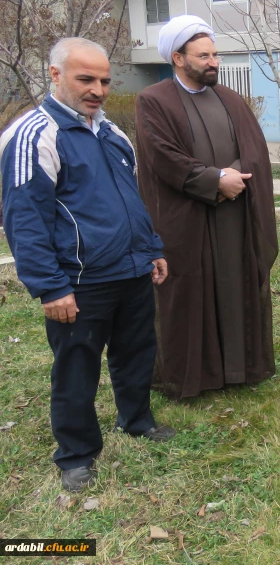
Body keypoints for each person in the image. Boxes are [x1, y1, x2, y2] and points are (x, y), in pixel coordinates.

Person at [0, 38, 174, 491]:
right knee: (77, 367)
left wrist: (151, 248)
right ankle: (76, 455)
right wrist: (50, 287)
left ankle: (136, 420)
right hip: (79, 282)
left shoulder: (112, 134)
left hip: (131, 270)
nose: (98, 89)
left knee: (136, 353)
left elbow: (130, 201)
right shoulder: (34, 135)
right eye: (86, 79)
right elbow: (25, 219)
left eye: (104, 80)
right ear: (56, 76)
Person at [134, 15, 278, 400]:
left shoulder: (231, 99)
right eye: (204, 55)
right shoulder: (154, 100)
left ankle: (239, 367)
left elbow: (255, 150)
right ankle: (192, 375)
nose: (214, 61)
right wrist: (215, 181)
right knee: (190, 293)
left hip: (234, 215)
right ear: (178, 58)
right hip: (187, 218)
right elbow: (161, 156)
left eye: (215, 54)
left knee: (235, 284)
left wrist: (237, 176)